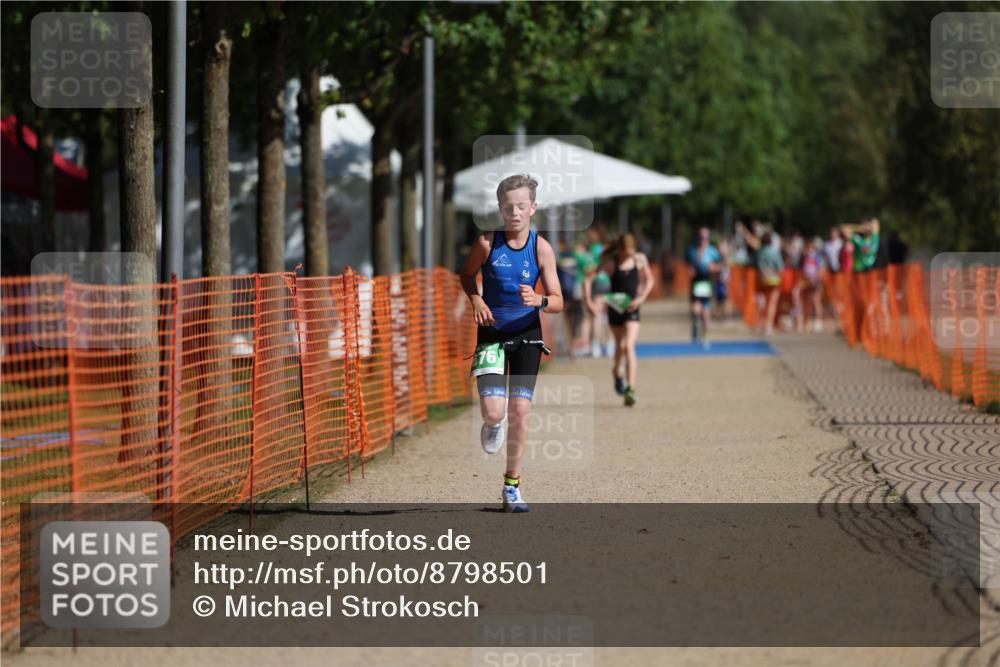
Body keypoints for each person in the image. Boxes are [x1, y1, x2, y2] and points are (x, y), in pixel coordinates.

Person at [459, 174, 564, 513]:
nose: (515, 213)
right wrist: (476, 300)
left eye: (521, 206)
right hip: (492, 333)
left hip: (528, 335)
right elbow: (465, 275)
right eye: (508, 207)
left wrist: (539, 300)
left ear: (533, 207)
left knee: (520, 412)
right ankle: (493, 422)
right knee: (495, 412)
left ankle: (512, 486)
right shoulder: (488, 243)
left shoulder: (541, 247)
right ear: (500, 208)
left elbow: (559, 300)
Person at [584, 232, 654, 407]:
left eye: (632, 250)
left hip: (632, 307)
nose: (630, 254)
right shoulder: (611, 263)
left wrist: (641, 298)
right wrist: (590, 303)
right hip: (615, 308)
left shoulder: (640, 260)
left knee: (628, 345)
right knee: (619, 347)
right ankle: (616, 372)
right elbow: (588, 279)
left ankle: (630, 389)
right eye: (627, 252)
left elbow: (650, 280)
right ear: (621, 250)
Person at [686, 227, 721, 347]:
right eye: (701, 237)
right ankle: (695, 324)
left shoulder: (713, 252)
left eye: (705, 237)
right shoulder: (692, 251)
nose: (703, 240)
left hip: (707, 282)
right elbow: (689, 265)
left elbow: (720, 266)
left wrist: (714, 268)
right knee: (695, 309)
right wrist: (690, 270)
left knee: (705, 311)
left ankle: (705, 336)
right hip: (696, 282)